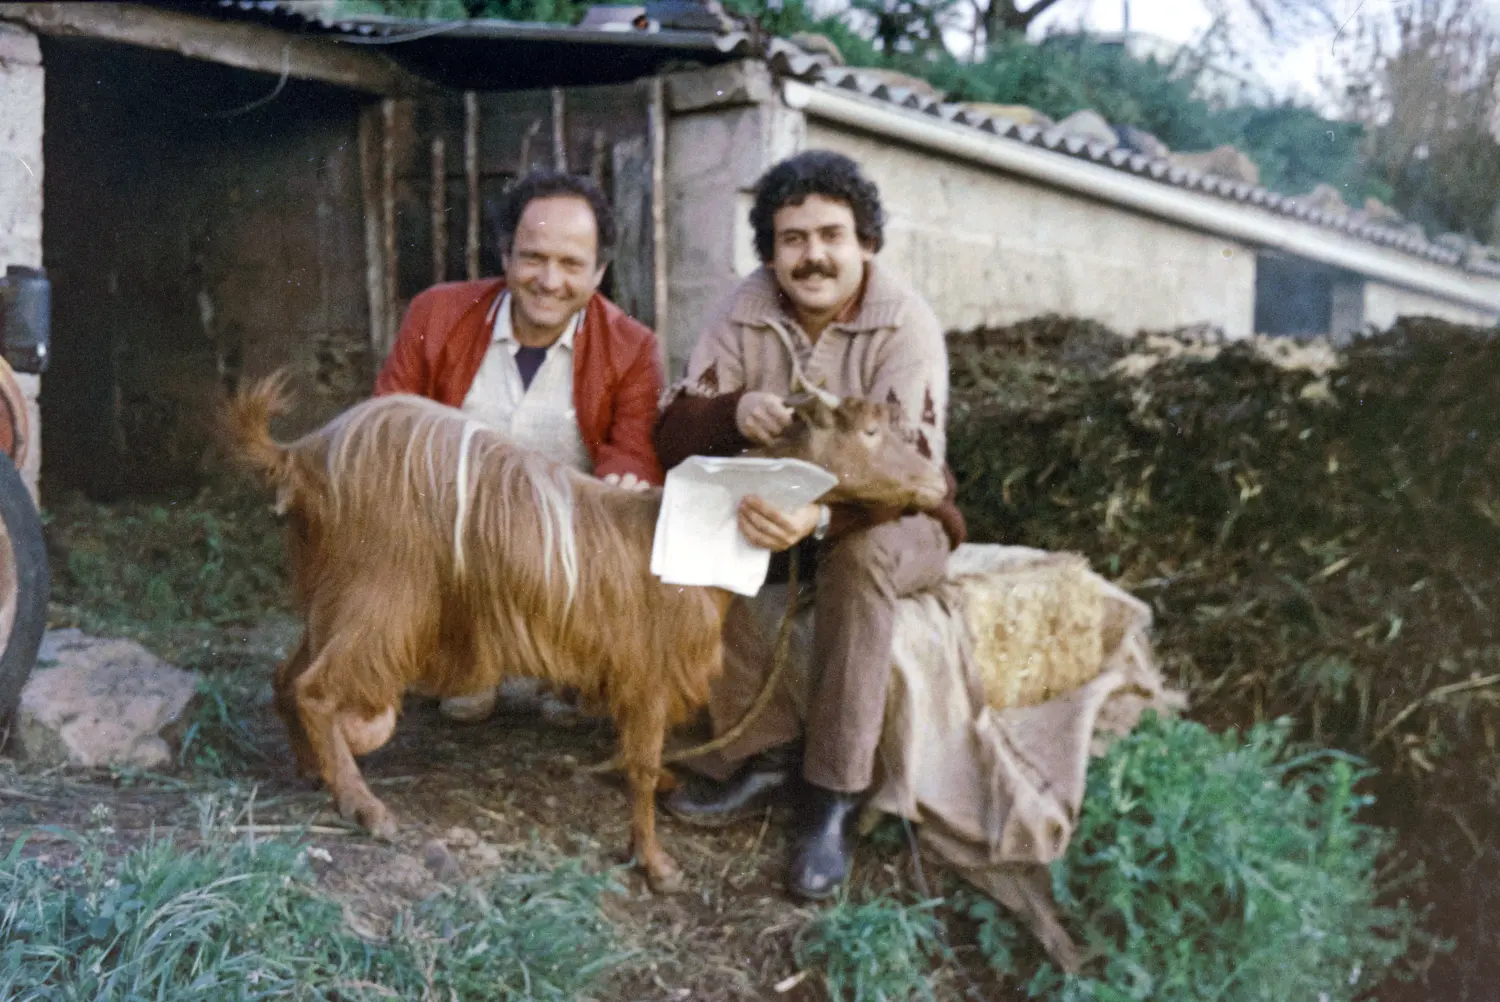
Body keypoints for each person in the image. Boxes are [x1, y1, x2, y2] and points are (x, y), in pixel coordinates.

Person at [653, 150, 966, 900]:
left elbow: (913, 476)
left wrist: (821, 520)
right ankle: (760, 755)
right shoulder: (744, 307)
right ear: (769, 250)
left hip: (902, 514)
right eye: (792, 239)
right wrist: (731, 413)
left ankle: (833, 795)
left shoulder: (904, 323)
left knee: (862, 560)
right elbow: (671, 437)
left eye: (832, 235)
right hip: (784, 503)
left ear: (866, 243)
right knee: (696, 520)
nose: (813, 256)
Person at [374, 169, 665, 722]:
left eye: (572, 264)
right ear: (505, 255)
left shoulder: (632, 347)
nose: (550, 281)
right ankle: (458, 655)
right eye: (533, 258)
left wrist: (623, 482)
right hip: (450, 532)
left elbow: (633, 450)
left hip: (558, 542)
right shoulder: (436, 313)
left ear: (599, 272)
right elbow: (388, 418)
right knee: (460, 695)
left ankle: (568, 663)